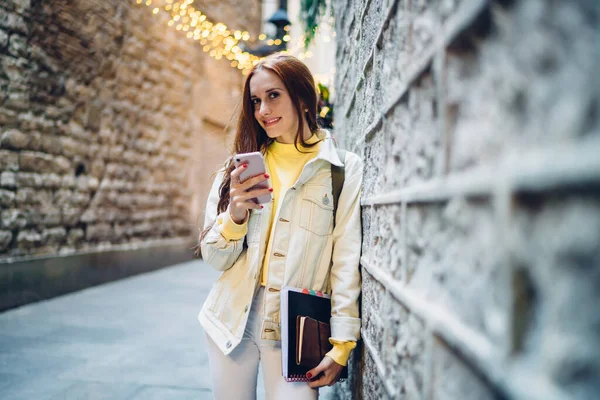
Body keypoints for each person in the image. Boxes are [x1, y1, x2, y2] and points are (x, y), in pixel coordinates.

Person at [197, 52, 362, 400]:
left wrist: (343, 343)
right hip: (231, 320)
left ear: (303, 97)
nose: (263, 111)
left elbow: (345, 261)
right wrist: (236, 216)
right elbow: (214, 258)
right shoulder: (240, 167)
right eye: (256, 101)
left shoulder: (341, 169)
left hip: (296, 329)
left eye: (274, 95)